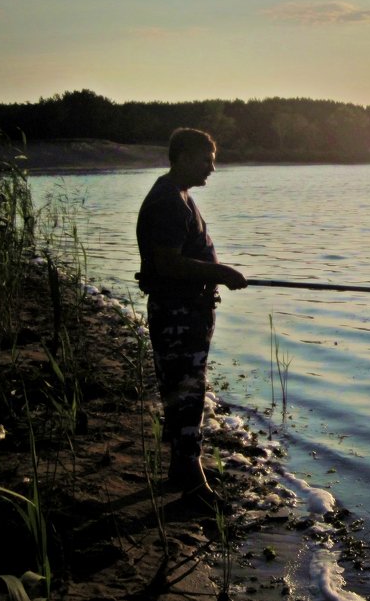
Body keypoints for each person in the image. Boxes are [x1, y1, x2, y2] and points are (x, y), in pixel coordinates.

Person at [136, 128, 247, 502]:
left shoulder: (177, 195)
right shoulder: (169, 200)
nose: (212, 169)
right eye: (206, 160)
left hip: (184, 313)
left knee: (182, 391)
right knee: (188, 394)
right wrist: (221, 273)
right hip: (178, 316)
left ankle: (179, 471)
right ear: (182, 157)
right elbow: (168, 263)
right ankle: (194, 485)